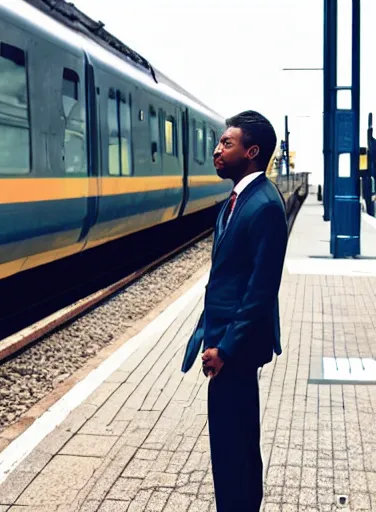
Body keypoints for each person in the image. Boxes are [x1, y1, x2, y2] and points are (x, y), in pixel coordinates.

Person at [201, 110, 288, 511]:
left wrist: (227, 347)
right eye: (220, 142)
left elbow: (260, 289)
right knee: (231, 444)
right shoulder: (239, 200)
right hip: (225, 342)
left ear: (252, 152)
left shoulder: (265, 205)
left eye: (227, 144)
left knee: (234, 445)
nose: (217, 150)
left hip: (236, 348)